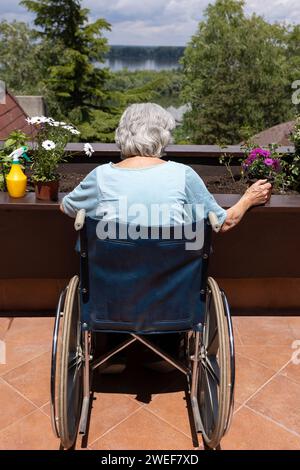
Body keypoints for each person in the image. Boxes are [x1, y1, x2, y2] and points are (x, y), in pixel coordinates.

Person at [60, 103, 271, 372]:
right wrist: (248, 198)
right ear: (163, 136)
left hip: (112, 300)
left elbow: (66, 207)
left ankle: (108, 352)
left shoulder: (101, 176)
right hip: (172, 302)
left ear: (123, 134)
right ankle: (169, 353)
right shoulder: (183, 175)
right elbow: (223, 222)